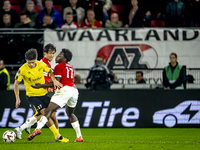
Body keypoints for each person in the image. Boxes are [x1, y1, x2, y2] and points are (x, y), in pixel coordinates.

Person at [28, 49, 83, 142]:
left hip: (65, 90)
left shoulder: (59, 66)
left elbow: (55, 82)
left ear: (65, 58)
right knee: (70, 114)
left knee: (48, 110)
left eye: (60, 55)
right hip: (74, 91)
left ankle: (38, 128)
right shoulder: (70, 67)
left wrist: (40, 86)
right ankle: (79, 137)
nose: (57, 56)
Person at [14, 48, 69, 142]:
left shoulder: (41, 64)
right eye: (28, 62)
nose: (31, 64)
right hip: (32, 96)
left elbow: (50, 72)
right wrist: (17, 99)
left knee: (52, 115)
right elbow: (16, 84)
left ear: (36, 59)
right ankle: (57, 136)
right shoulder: (22, 69)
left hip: (44, 94)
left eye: (32, 62)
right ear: (26, 60)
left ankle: (20, 129)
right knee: (44, 113)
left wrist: (54, 80)